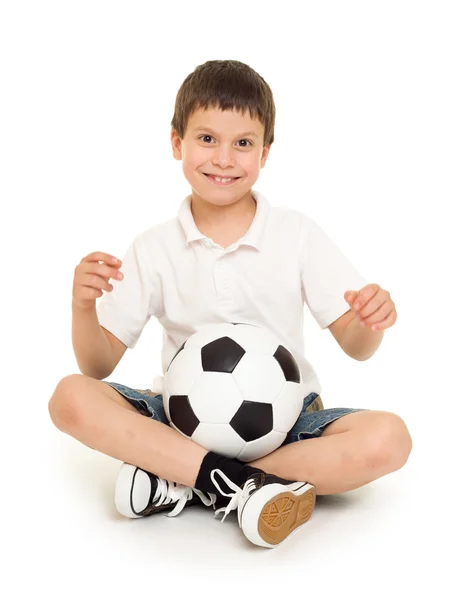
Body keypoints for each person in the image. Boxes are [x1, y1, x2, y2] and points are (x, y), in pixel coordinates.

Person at [48, 59, 412, 549]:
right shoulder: (154, 247)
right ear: (176, 143)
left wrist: (371, 321)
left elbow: (358, 346)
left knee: (390, 439)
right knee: (69, 397)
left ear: (265, 152)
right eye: (206, 139)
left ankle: (184, 480)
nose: (224, 158)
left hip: (286, 424)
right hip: (179, 421)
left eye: (243, 143)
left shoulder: (296, 234)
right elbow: (96, 365)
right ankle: (244, 487)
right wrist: (83, 306)